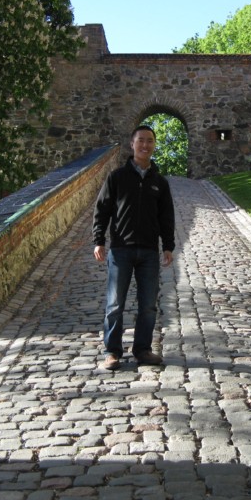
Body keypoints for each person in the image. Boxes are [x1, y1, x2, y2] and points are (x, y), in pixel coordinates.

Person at [93, 125, 175, 370]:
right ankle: (112, 352)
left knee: (148, 305)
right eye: (141, 141)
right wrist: (99, 240)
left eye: (150, 141)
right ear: (132, 144)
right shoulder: (116, 177)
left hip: (149, 251)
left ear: (154, 145)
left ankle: (142, 349)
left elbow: (166, 217)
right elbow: (102, 210)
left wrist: (168, 246)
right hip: (121, 250)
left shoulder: (160, 182)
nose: (145, 145)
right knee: (115, 304)